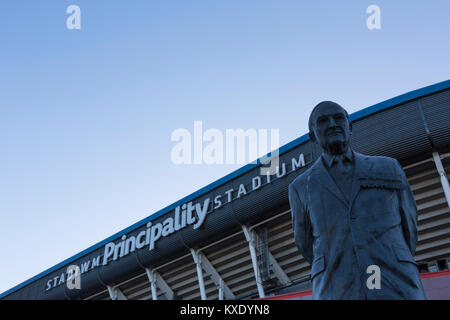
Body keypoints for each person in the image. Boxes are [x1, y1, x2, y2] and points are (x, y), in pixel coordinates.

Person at [288, 101, 426, 299]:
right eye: (323, 121)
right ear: (313, 136)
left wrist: (387, 256)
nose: (333, 124)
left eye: (339, 118)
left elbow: (409, 228)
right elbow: (306, 243)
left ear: (349, 127)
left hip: (396, 282)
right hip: (337, 288)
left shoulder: (388, 167)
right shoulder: (300, 187)